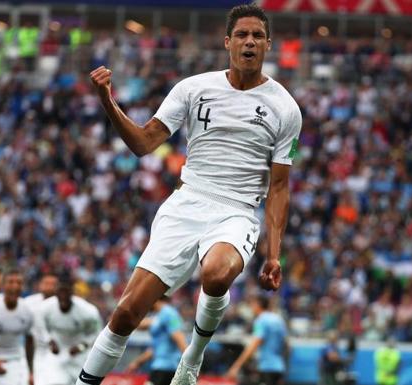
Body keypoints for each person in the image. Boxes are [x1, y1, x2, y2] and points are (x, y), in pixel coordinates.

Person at [78, 4, 301, 385]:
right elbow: (144, 143)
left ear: (268, 44)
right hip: (187, 203)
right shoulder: (193, 88)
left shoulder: (286, 109)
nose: (250, 42)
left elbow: (279, 186)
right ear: (227, 42)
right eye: (242, 35)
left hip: (238, 211)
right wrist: (107, 101)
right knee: (127, 313)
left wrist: (274, 254)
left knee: (215, 274)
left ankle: (193, 358)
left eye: (258, 36)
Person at [39, 278, 103, 385]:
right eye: (60, 291)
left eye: (66, 291)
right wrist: (49, 340)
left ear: (72, 292)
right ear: (56, 292)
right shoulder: (46, 307)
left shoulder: (88, 311)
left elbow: (97, 333)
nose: (63, 295)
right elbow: (41, 326)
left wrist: (81, 346)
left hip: (79, 357)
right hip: (57, 356)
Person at [225, 296, 288, 385]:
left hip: (267, 367)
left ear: (258, 305)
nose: (251, 308)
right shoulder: (278, 319)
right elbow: (286, 344)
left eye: (252, 305)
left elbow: (254, 344)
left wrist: (236, 366)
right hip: (279, 367)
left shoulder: (261, 320)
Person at [125, 296, 188, 385]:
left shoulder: (169, 314)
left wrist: (191, 366)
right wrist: (137, 362)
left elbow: (180, 340)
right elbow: (156, 348)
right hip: (160, 368)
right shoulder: (160, 316)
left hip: (168, 368)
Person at [24, 273, 59, 385]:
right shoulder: (28, 303)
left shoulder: (62, 305)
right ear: (40, 285)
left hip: (56, 352)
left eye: (52, 284)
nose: (49, 287)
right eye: (46, 283)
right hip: (34, 349)